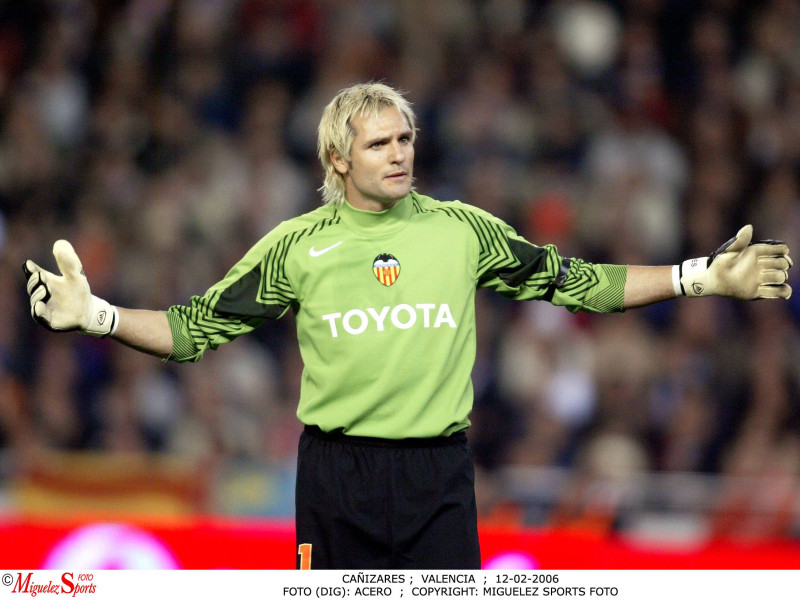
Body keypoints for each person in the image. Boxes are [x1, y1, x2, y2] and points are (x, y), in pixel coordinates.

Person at [23, 82, 793, 569]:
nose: (399, 154)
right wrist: (96, 314)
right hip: (336, 479)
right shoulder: (297, 246)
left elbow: (579, 284)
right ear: (337, 156)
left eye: (406, 139)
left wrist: (699, 275)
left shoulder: (462, 230)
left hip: (439, 478)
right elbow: (193, 331)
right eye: (379, 143)